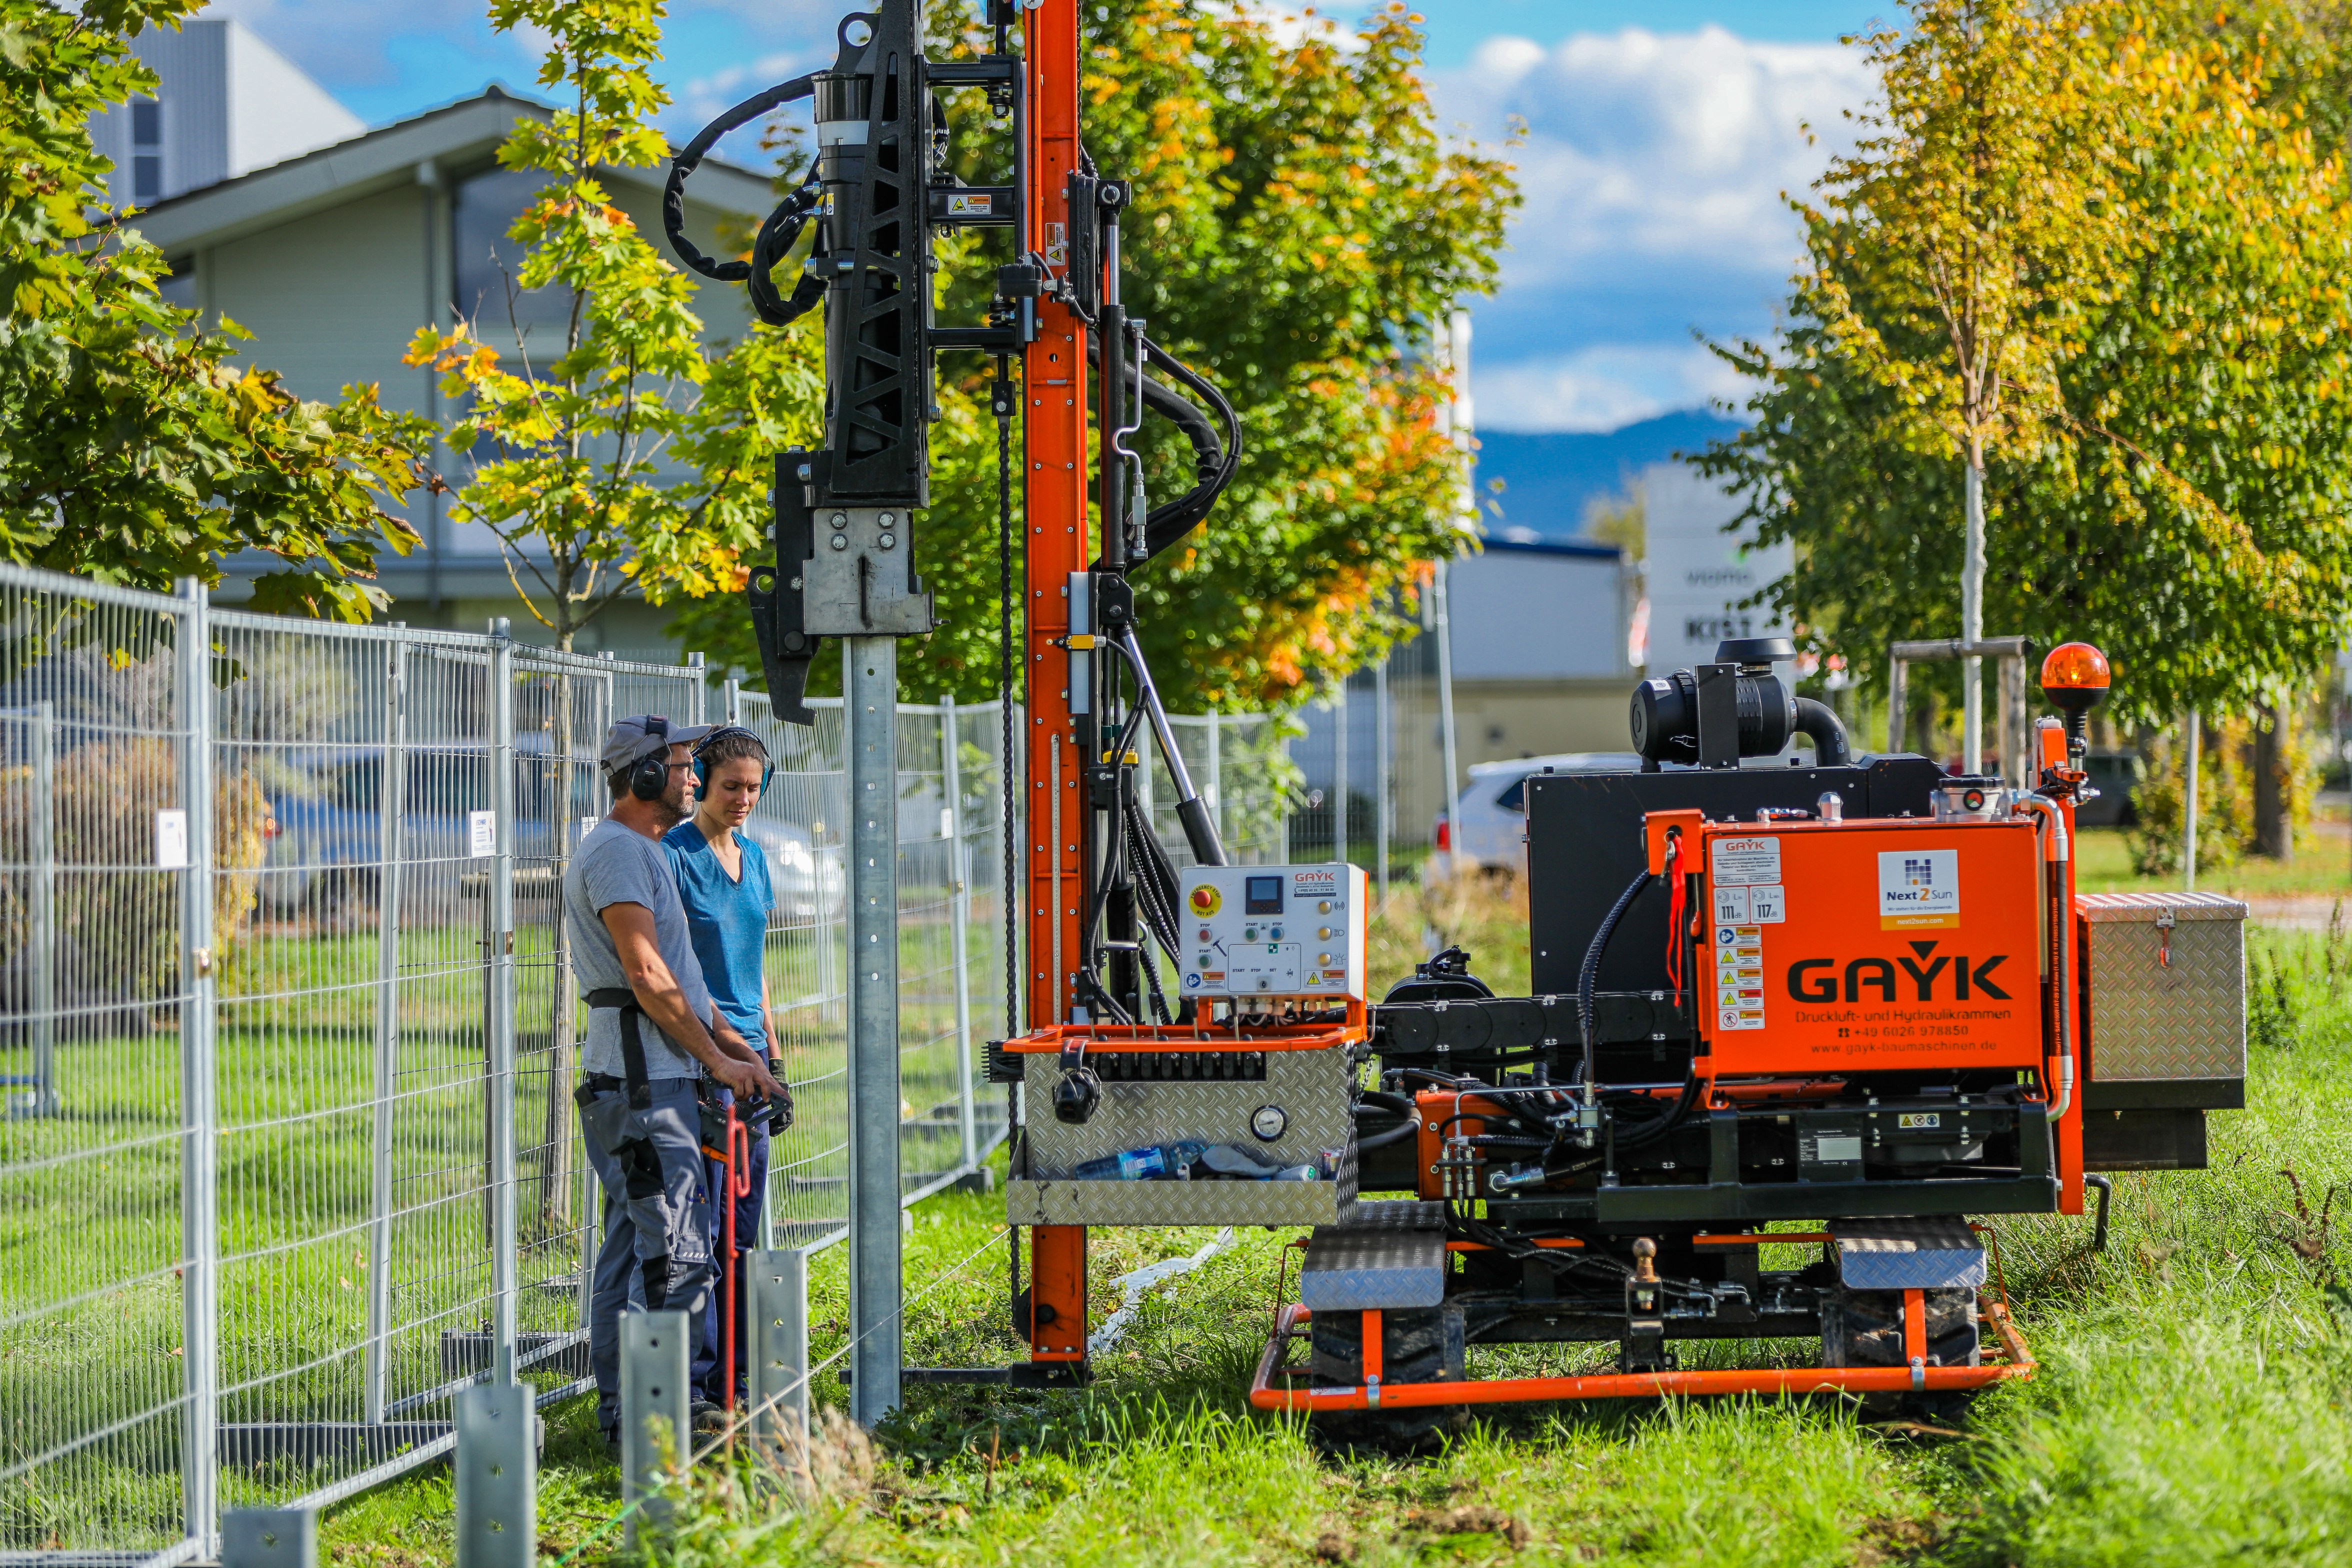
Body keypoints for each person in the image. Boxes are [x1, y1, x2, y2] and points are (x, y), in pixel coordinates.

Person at [566, 714, 786, 1453]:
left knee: (639, 1244)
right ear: (647, 775)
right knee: (675, 1252)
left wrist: (747, 1057)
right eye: (686, 767)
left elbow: (691, 986)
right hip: (640, 1083)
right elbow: (649, 978)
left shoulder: (646, 852)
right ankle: (662, 1419)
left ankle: (636, 1415)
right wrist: (716, 1063)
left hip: (662, 1078)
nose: (694, 779)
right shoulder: (619, 854)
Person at [664, 724, 788, 1408]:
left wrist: (773, 1053)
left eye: (753, 787)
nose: (743, 798)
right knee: (704, 1233)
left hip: (753, 1066)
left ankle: (737, 1376)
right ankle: (699, 1384)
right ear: (701, 783)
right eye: (730, 786)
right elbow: (676, 971)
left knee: (743, 1228)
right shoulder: (673, 858)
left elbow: (756, 967)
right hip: (702, 1060)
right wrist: (727, 1055)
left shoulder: (756, 858)